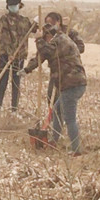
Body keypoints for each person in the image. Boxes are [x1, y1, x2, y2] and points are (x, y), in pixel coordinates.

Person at [21, 24, 87, 156]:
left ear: (49, 36)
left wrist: (39, 40)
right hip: (72, 83)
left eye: (45, 39)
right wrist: (27, 69)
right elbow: (42, 55)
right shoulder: (56, 41)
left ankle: (76, 149)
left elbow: (45, 51)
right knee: (57, 111)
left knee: (70, 118)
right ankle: (53, 141)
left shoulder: (61, 41)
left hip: (72, 84)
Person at [0, 0, 34, 112]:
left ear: (19, 5)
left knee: (16, 83)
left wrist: (37, 24)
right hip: (6, 56)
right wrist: (9, 53)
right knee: (3, 81)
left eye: (15, 5)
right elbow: (5, 36)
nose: (13, 7)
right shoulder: (4, 19)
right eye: (11, 5)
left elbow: (34, 30)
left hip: (19, 56)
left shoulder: (25, 20)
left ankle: (14, 109)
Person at [43, 12, 85, 102]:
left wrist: (67, 49)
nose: (49, 26)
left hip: (68, 70)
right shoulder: (48, 33)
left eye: (52, 23)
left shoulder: (70, 32)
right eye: (47, 23)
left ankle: (62, 115)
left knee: (64, 98)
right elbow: (45, 50)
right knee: (51, 95)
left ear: (58, 22)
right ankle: (53, 115)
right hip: (55, 70)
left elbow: (81, 47)